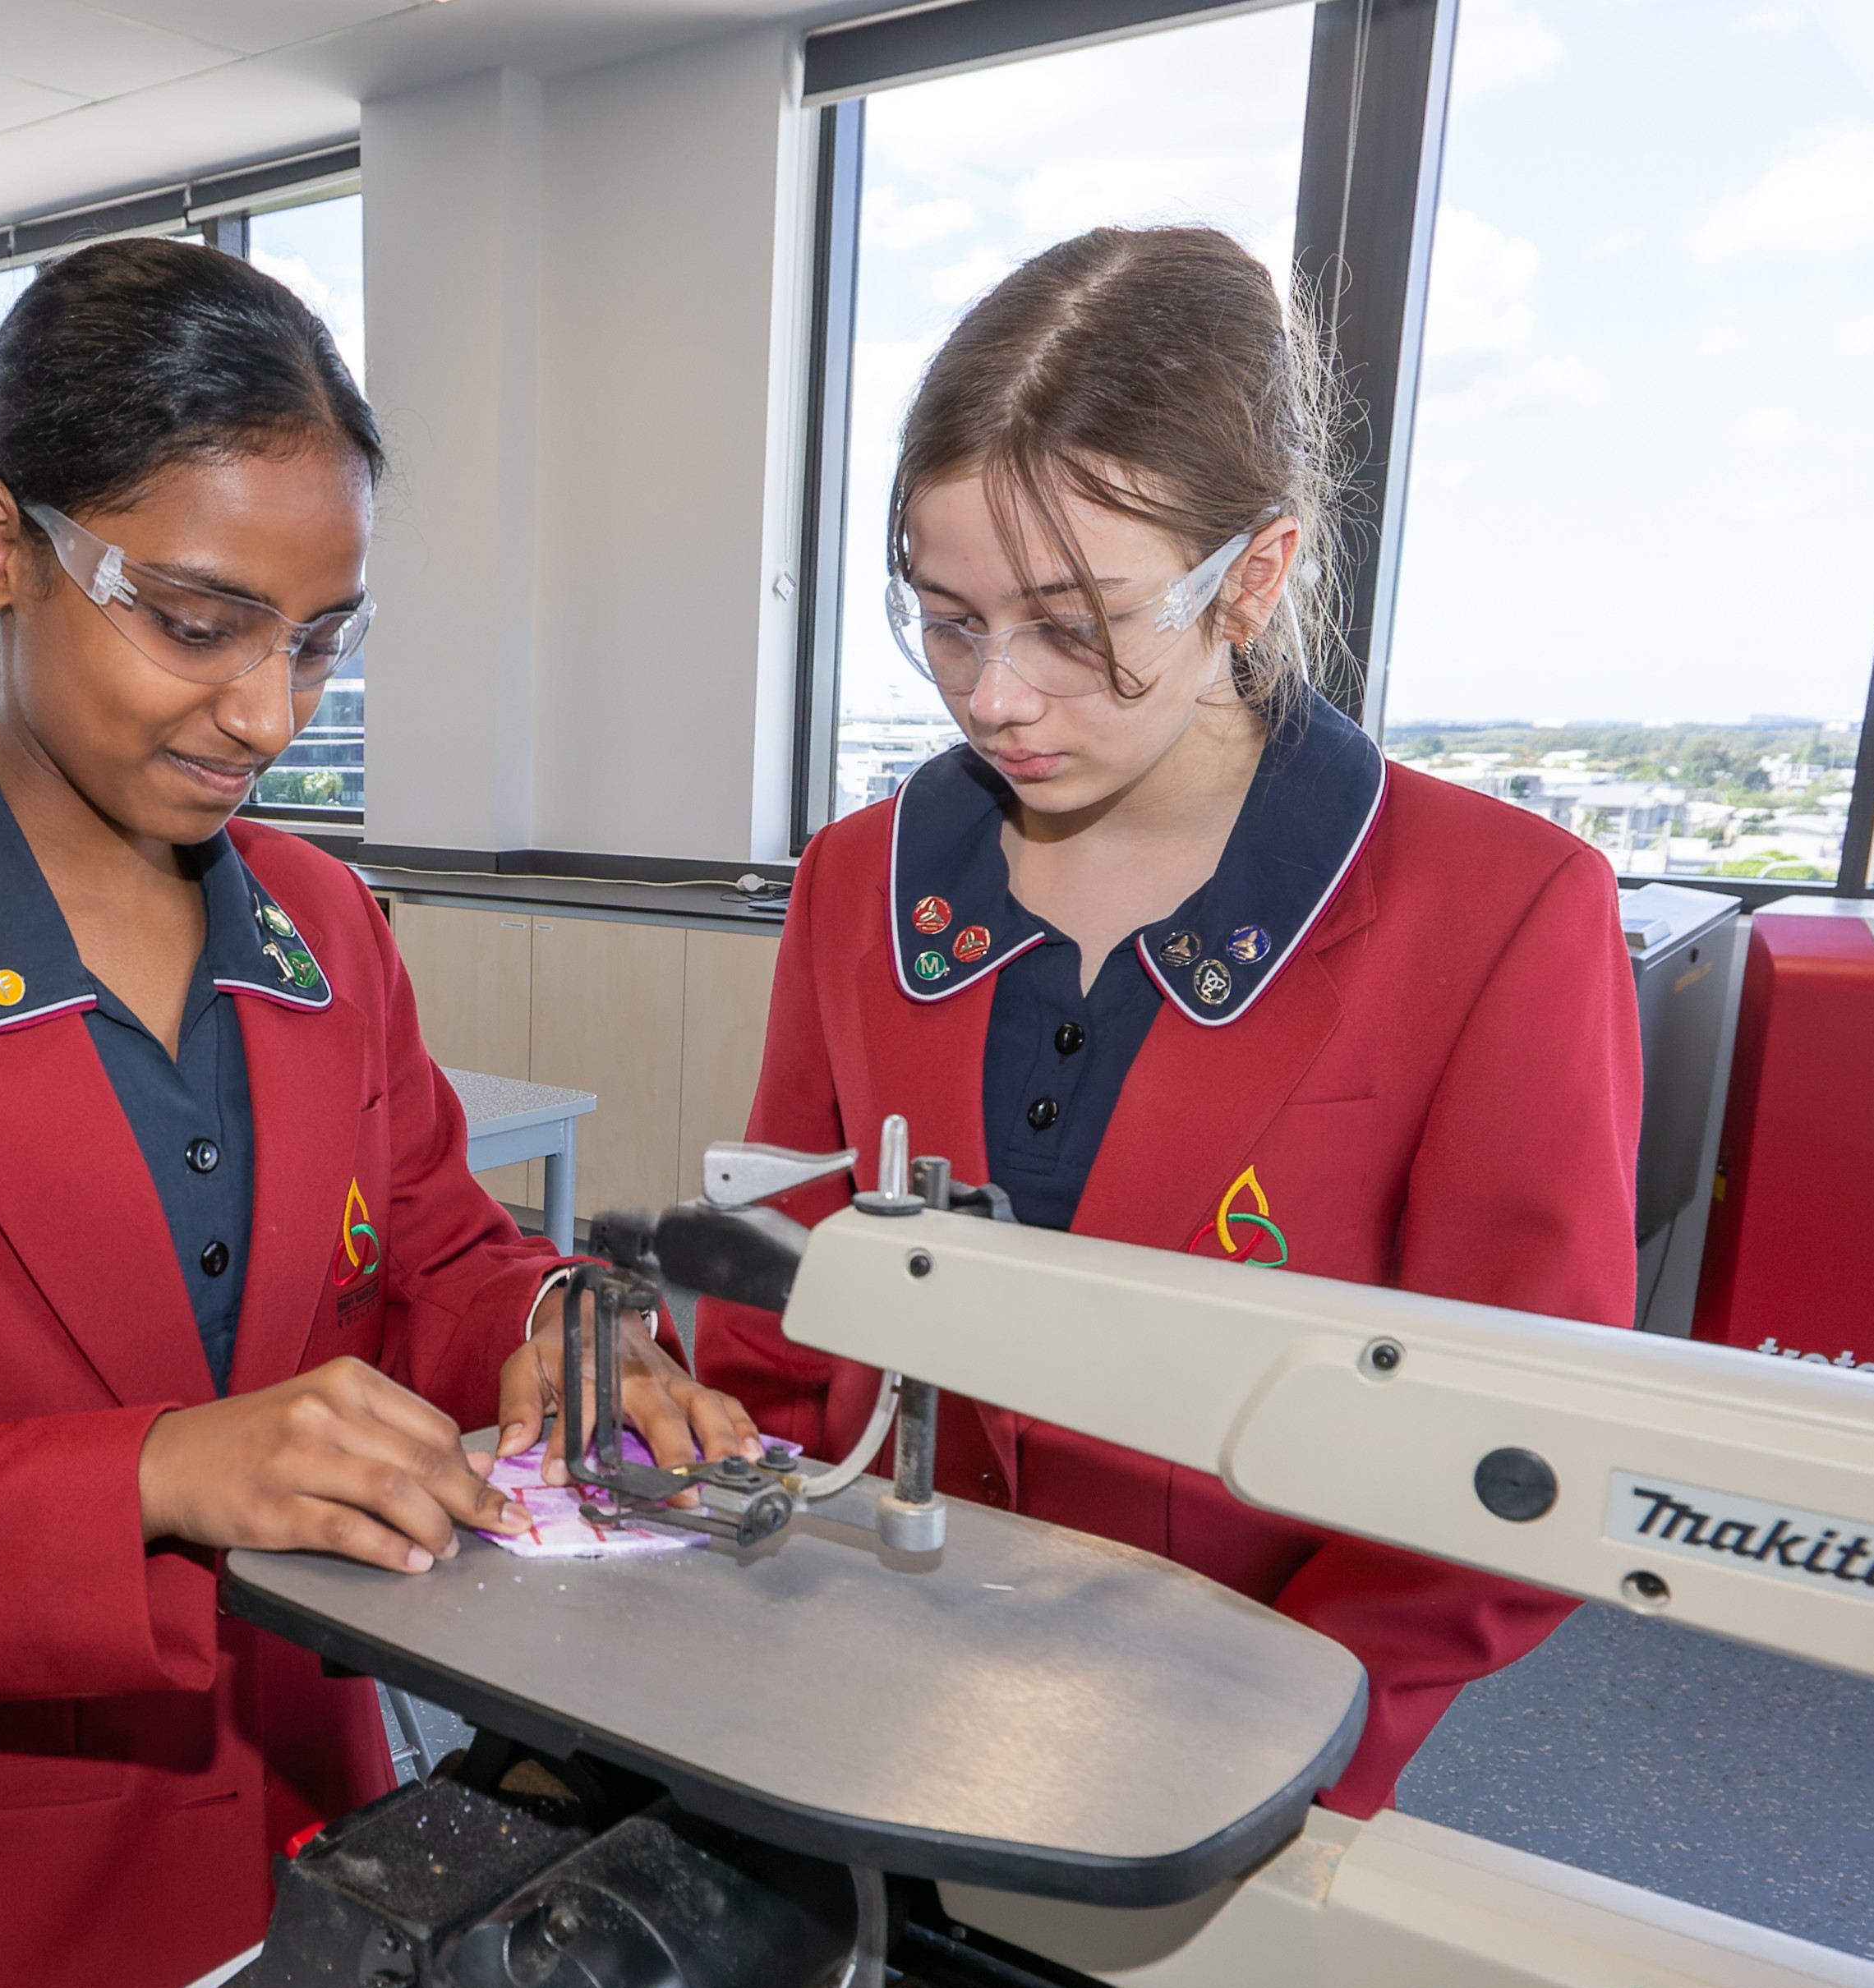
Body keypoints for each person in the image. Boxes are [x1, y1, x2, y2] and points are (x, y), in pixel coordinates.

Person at [0, 239, 753, 1988]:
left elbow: (432, 1246)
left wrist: (554, 1318)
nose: (269, 713)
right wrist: (152, 1471)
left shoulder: (321, 923)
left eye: (318, 636)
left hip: (337, 1822)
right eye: (199, 622)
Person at [698, 227, 1641, 1816]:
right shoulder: (861, 881)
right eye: (946, 620)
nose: (996, 696)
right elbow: (782, 1310)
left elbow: (1512, 1463)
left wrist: (1254, 1751)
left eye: (1076, 627)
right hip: (849, 1673)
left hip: (1237, 1739)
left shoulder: (1500, 912)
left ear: (1251, 579)